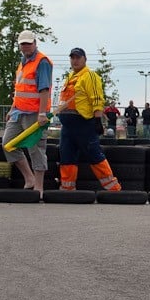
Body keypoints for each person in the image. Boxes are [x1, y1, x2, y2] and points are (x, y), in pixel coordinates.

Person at [57, 47, 121, 192]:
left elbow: (97, 99)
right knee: (66, 156)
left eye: (78, 57)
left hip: (83, 124)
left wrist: (98, 120)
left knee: (94, 154)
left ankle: (113, 189)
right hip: (67, 127)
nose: (75, 60)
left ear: (85, 59)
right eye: (72, 58)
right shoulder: (69, 78)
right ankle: (67, 188)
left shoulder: (90, 76)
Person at [2, 30, 53, 195]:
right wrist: (11, 109)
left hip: (34, 113)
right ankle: (29, 178)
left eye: (28, 43)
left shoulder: (42, 62)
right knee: (8, 144)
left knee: (36, 148)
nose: (26, 47)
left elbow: (44, 89)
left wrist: (42, 113)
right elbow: (20, 90)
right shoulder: (23, 62)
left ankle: (39, 187)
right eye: (23, 44)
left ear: (35, 43)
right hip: (19, 112)